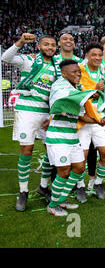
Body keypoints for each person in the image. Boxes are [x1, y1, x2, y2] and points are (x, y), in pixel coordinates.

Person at [2, 33, 59, 211]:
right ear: (39, 47)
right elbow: (6, 57)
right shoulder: (29, 61)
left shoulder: (58, 67)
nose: (50, 47)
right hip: (27, 111)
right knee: (26, 150)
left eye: (53, 45)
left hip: (47, 114)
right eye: (46, 44)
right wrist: (20, 42)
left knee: (51, 150)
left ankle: (43, 186)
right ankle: (23, 191)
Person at [45, 59, 104, 216]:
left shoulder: (75, 89)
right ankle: (53, 204)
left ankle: (61, 199)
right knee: (64, 172)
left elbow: (81, 116)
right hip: (57, 136)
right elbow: (64, 101)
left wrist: (98, 121)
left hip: (72, 136)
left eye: (79, 71)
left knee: (78, 169)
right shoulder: (60, 86)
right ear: (64, 74)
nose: (78, 74)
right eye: (74, 72)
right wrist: (91, 93)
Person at [77, 42, 105, 200]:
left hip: (100, 119)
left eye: (99, 55)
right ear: (87, 56)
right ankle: (80, 186)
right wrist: (93, 91)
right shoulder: (79, 71)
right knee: (81, 157)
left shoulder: (104, 71)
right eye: (94, 55)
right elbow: (75, 92)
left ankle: (98, 182)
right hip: (83, 120)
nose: (97, 58)